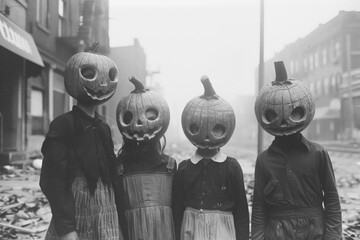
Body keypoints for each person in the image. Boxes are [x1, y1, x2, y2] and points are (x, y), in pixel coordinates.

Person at [40, 43, 123, 240]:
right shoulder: (63, 125)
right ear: (74, 78)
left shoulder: (103, 128)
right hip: (76, 215)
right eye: (89, 74)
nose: (101, 84)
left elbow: (111, 176)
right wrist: (67, 229)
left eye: (106, 78)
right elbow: (52, 181)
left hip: (107, 216)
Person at [251, 61, 342, 240]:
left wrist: (332, 236)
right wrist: (257, 237)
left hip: (315, 231)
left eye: (293, 113)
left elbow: (331, 198)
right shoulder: (264, 160)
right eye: (274, 114)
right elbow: (259, 205)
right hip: (276, 232)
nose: (284, 122)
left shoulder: (318, 154)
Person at [173, 76, 249, 240]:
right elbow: (176, 210)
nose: (207, 137)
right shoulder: (184, 168)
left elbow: (242, 212)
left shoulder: (232, 167)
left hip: (222, 231)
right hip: (190, 230)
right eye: (198, 127)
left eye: (216, 129)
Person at [114, 76, 176, 240]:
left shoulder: (170, 166)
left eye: (150, 117)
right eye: (134, 119)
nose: (142, 124)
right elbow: (118, 212)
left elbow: (178, 210)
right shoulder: (121, 168)